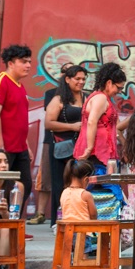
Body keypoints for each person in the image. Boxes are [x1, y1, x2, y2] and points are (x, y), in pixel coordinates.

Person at [0, 45, 34, 208]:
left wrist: (27, 145)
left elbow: (19, 118)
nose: (28, 65)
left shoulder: (20, 86)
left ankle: (12, 225)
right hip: (1, 147)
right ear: (10, 63)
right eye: (23, 62)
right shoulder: (0, 81)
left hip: (19, 147)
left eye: (29, 62)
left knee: (24, 185)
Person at [74, 63, 129, 216]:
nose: (119, 92)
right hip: (97, 153)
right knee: (99, 187)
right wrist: (89, 147)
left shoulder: (100, 97)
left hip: (101, 152)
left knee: (98, 189)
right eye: (118, 88)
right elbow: (92, 121)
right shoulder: (100, 98)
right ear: (109, 82)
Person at [43, 64, 86, 222]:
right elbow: (48, 123)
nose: (81, 82)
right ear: (67, 79)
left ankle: (77, 217)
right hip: (62, 147)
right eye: (77, 79)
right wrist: (72, 126)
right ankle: (58, 220)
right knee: (61, 184)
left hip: (82, 147)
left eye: (83, 79)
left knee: (80, 182)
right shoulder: (58, 99)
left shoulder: (86, 97)